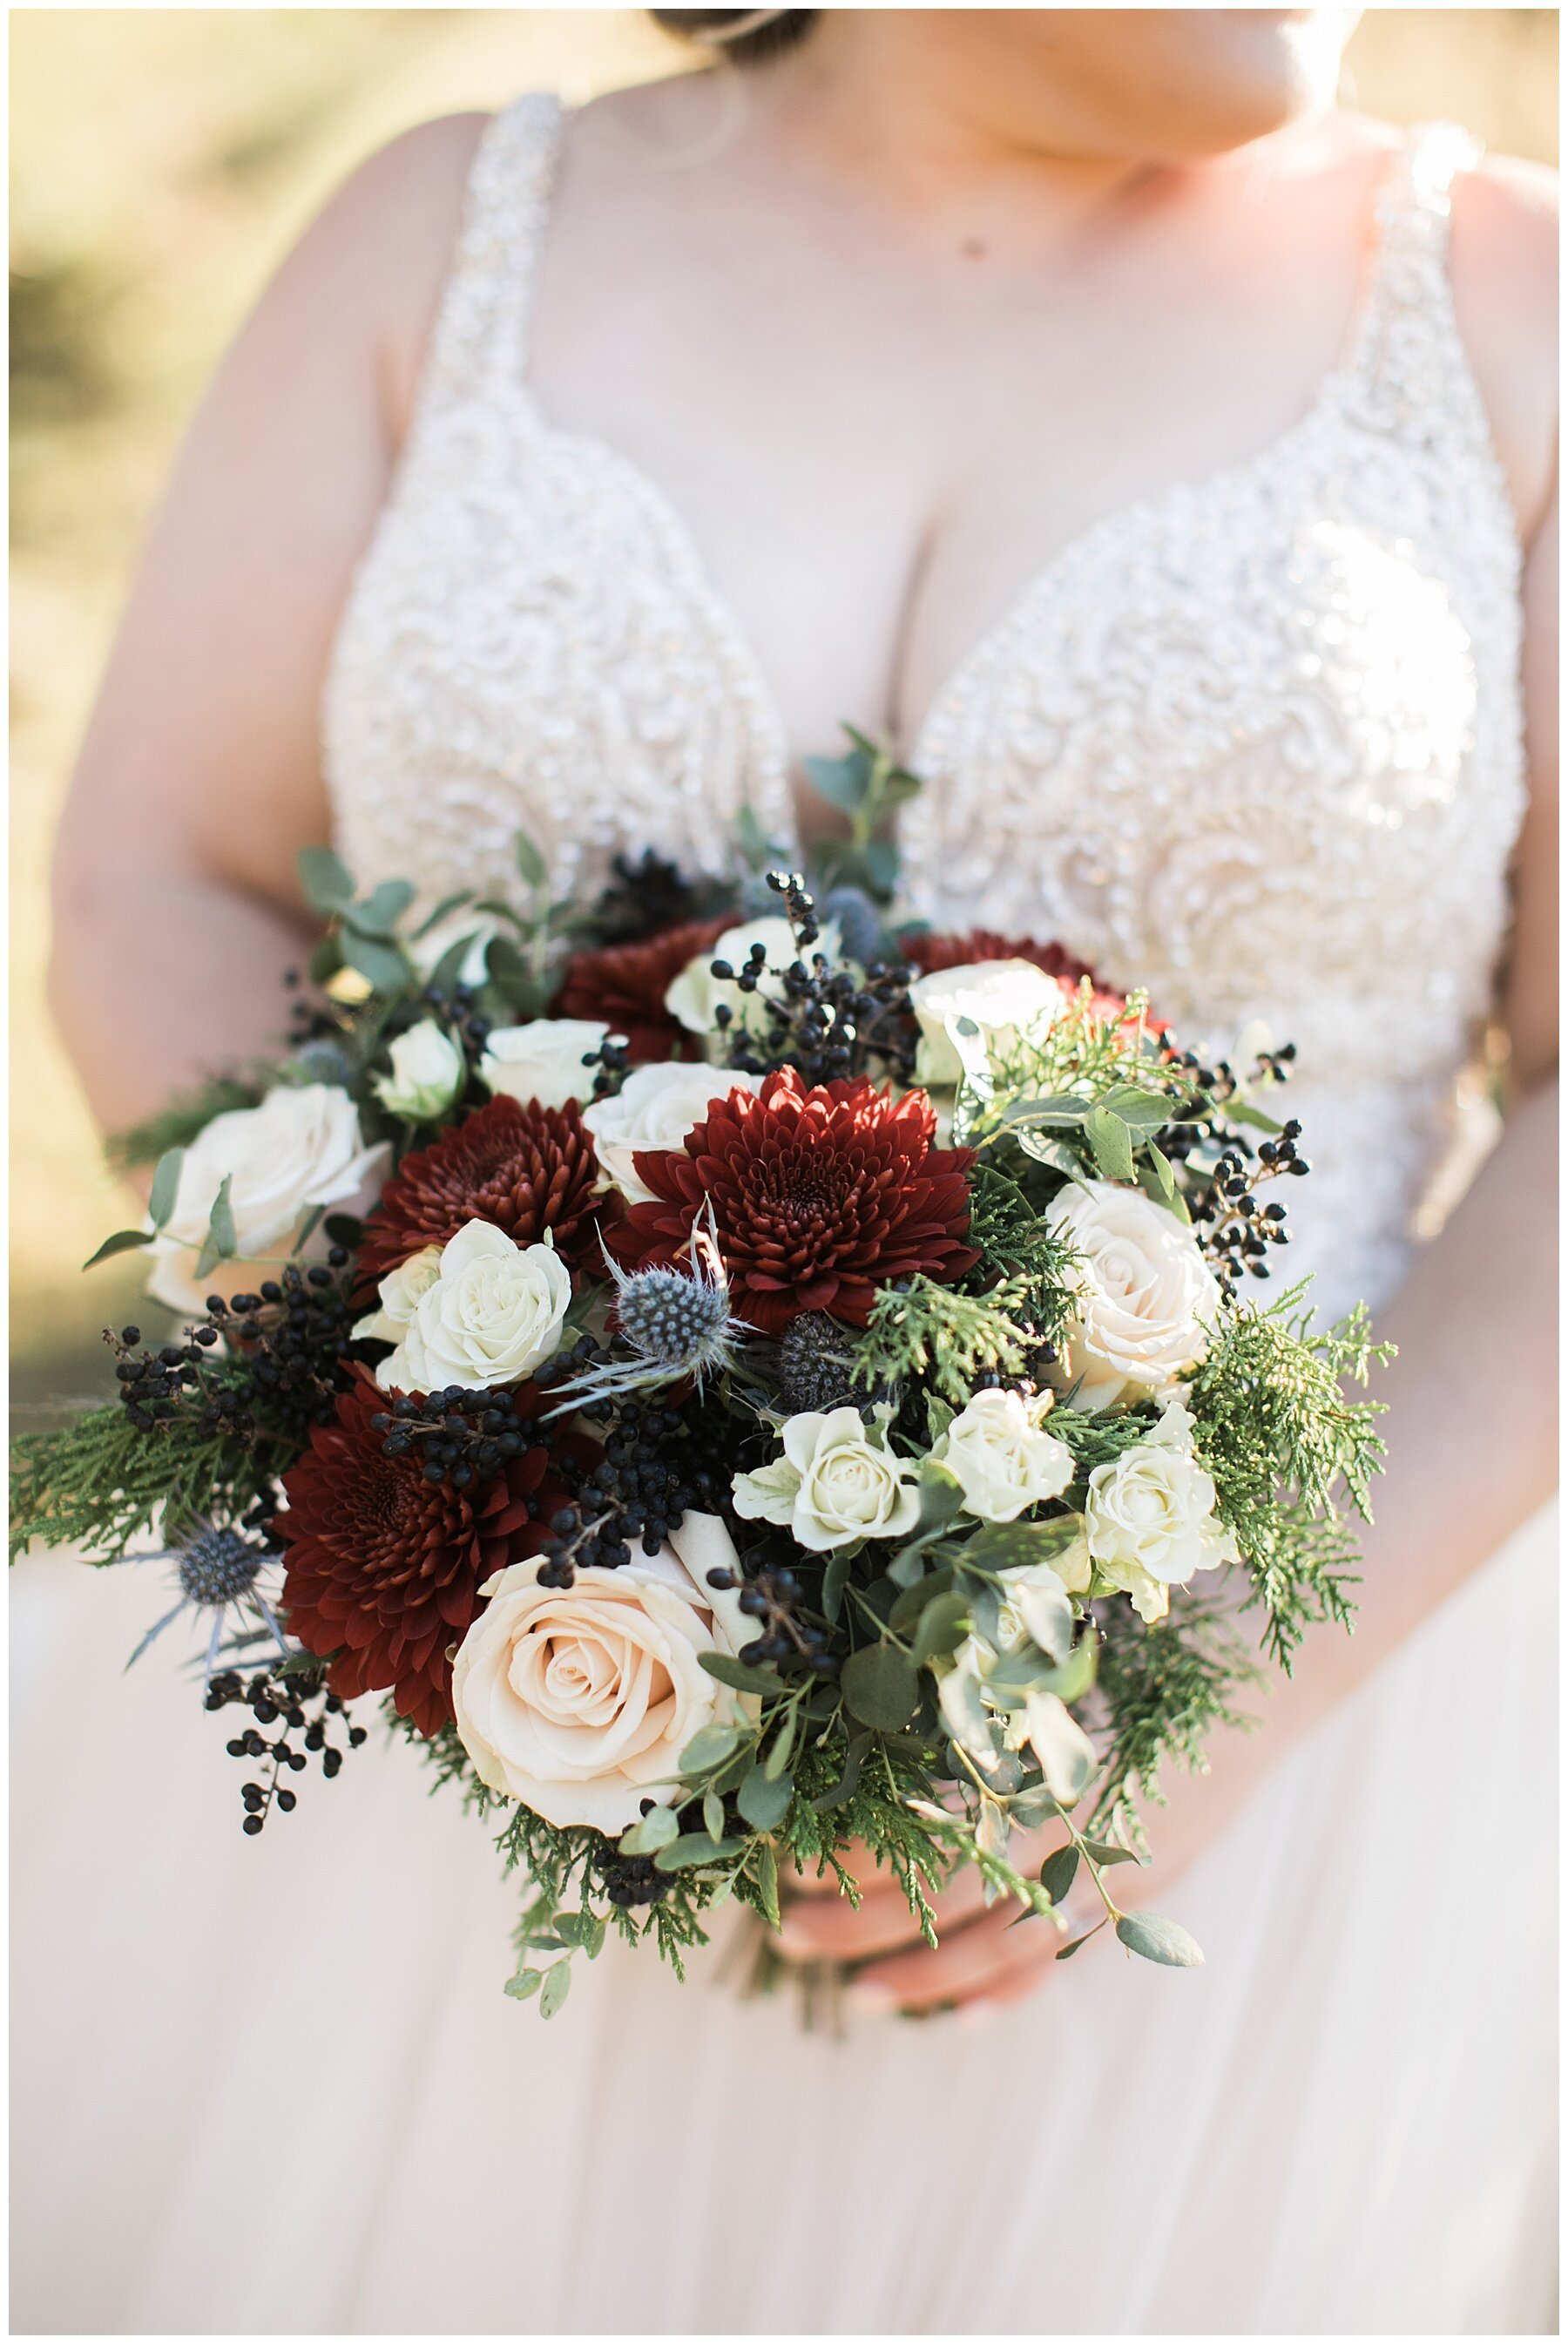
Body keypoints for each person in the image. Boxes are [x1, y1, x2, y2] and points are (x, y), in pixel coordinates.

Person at [23, 8, 1555, 2330]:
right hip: (481, 1751)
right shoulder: (445, 244)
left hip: (1273, 1810)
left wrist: (1233, 1685)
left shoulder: (1516, 314)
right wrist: (454, 1415)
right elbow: (167, 873)